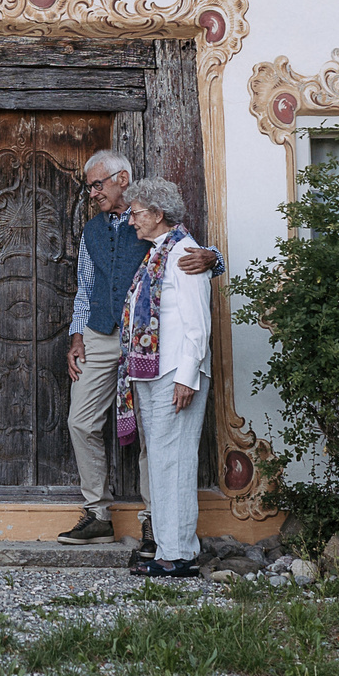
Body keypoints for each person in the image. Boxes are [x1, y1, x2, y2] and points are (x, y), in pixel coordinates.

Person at [59, 151, 218, 545]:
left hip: (149, 339)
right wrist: (77, 336)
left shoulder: (149, 217)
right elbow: (85, 286)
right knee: (80, 420)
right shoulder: (92, 230)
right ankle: (97, 513)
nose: (92, 193)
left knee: (154, 428)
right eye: (89, 186)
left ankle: (154, 517)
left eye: (98, 184)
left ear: (122, 178)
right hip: (99, 333)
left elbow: (188, 252)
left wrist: (214, 259)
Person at [118, 177, 210, 577]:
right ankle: (170, 549)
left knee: (174, 460)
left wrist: (188, 376)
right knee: (160, 460)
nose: (131, 221)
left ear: (158, 215)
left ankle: (178, 554)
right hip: (155, 372)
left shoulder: (185, 253)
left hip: (176, 371)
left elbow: (197, 323)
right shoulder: (158, 254)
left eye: (136, 213)